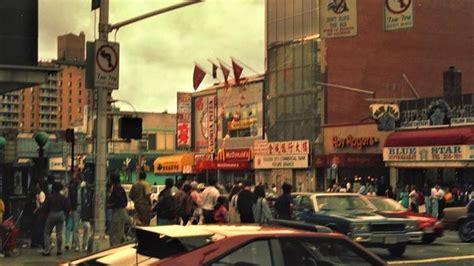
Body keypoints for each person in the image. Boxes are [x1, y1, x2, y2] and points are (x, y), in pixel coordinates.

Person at [43, 182, 71, 256]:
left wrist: (46, 215)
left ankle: (47, 250)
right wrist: (65, 214)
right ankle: (59, 250)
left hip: (52, 214)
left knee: (47, 232)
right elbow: (67, 207)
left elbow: (45, 207)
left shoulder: (50, 197)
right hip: (61, 214)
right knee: (59, 233)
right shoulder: (63, 197)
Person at [107, 172, 128, 247]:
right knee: (120, 233)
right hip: (122, 212)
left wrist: (110, 205)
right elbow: (125, 201)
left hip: (118, 212)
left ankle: (114, 250)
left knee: (114, 235)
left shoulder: (116, 188)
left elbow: (120, 201)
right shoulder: (120, 187)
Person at [67, 175, 81, 251]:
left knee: (75, 226)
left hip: (78, 207)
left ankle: (74, 243)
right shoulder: (73, 188)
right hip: (75, 208)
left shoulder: (82, 188)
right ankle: (77, 244)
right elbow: (70, 199)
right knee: (75, 227)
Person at [80, 178, 93, 252]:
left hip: (87, 215)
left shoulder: (89, 194)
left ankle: (85, 244)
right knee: (87, 229)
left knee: (87, 230)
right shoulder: (83, 194)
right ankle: (85, 244)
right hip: (85, 215)